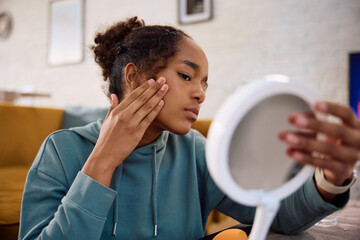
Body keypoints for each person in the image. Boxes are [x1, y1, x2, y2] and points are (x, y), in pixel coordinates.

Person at [19, 16, 359, 239]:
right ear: (134, 77)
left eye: (205, 83)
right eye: (186, 76)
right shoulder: (61, 150)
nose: (200, 92)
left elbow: (278, 216)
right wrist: (103, 161)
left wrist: (332, 179)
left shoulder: (196, 150)